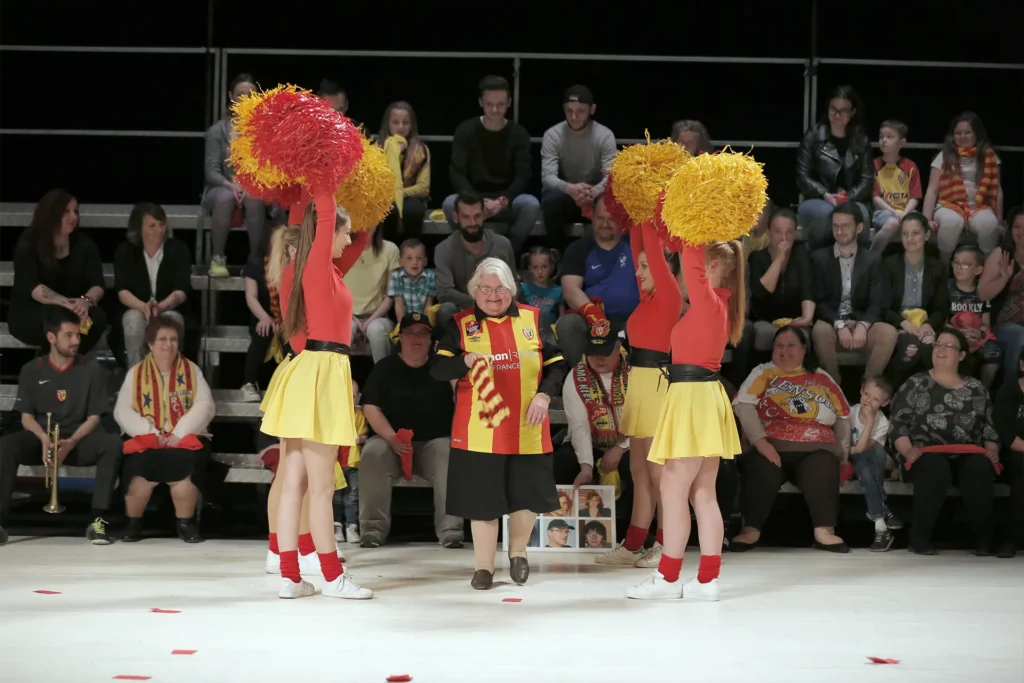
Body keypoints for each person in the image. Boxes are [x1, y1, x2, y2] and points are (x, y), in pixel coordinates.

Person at [260, 194, 374, 600]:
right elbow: (323, 216)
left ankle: (291, 577)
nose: (348, 240)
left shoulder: (321, 272)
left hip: (308, 371)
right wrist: (323, 177)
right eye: (342, 233)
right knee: (322, 488)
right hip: (322, 371)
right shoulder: (312, 270)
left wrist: (371, 203)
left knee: (295, 482)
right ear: (328, 233)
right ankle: (332, 576)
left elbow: (361, 239)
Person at [432, 258, 565, 590]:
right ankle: (483, 568)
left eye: (500, 288)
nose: (493, 295)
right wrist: (463, 361)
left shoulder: (535, 319)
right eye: (486, 289)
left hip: (527, 426)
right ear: (474, 291)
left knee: (525, 495)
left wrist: (545, 396)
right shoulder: (458, 324)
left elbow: (559, 365)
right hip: (479, 430)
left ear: (512, 289)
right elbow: (437, 369)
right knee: (483, 500)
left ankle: (518, 554)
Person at [627, 242, 744, 602]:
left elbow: (690, 264)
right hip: (698, 397)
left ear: (715, 268)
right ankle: (707, 581)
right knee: (702, 493)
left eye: (701, 265)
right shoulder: (717, 306)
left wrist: (692, 228)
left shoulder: (710, 303)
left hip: (694, 398)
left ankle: (668, 578)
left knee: (674, 491)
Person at [0, 307, 122, 546]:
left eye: (77, 335)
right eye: (69, 335)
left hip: (77, 439)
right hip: (41, 439)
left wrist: (70, 443)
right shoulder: (31, 369)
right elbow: (26, 417)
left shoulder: (91, 368)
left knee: (112, 444)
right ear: (51, 338)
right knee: (6, 445)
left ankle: (98, 520)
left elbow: (95, 417)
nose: (76, 340)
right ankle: (1, 521)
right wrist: (44, 438)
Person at [599, 222, 681, 568]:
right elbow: (639, 249)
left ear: (664, 269)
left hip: (659, 389)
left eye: (647, 266)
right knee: (639, 472)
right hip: (639, 385)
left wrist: (650, 217)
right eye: (638, 265)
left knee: (660, 474)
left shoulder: (669, 297)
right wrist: (635, 215)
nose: (638, 269)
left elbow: (651, 253)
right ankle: (634, 543)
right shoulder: (646, 300)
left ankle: (666, 544)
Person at [730, 327, 851, 554]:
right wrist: (761, 443)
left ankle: (825, 532)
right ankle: (750, 530)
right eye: (779, 345)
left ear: (804, 350)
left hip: (816, 448)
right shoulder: (763, 372)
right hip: (771, 446)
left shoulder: (821, 377)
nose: (784, 351)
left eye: (791, 345)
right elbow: (743, 405)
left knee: (823, 466)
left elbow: (843, 416)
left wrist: (843, 456)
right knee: (760, 467)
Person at [889, 329, 1001, 556]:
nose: (940, 349)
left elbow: (990, 427)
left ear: (961, 355)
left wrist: (992, 451)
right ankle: (919, 538)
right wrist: (908, 450)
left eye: (948, 346)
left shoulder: (976, 389)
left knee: (979, 468)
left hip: (967, 451)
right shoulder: (916, 383)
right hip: (924, 451)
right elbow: (898, 424)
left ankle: (984, 540)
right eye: (938, 344)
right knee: (933, 467)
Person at [359, 312, 465, 548]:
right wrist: (391, 438)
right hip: (390, 442)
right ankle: (372, 530)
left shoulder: (442, 367)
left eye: (422, 333)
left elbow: (463, 400)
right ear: (401, 338)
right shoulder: (384, 368)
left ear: (431, 340)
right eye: (410, 333)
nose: (416, 339)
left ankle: (451, 532)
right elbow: (370, 407)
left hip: (434, 442)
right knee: (372, 453)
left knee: (449, 453)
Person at [113, 315, 214, 543]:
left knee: (184, 475)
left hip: (184, 438)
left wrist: (178, 433)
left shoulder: (192, 371)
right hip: (148, 439)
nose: (168, 345)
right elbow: (122, 411)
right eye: (162, 339)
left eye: (173, 339)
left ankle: (185, 523)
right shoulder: (136, 373)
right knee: (139, 474)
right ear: (150, 344)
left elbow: (205, 405)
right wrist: (153, 434)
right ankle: (133, 523)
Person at [444, 75, 540, 253]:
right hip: (473, 199)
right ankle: (469, 253)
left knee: (530, 204)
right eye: (490, 104)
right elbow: (457, 172)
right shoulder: (466, 130)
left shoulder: (518, 134)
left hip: (505, 201)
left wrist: (501, 202)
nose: (495, 109)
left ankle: (507, 254)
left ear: (509, 102)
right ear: (481, 102)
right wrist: (478, 202)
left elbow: (523, 176)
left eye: (501, 104)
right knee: (450, 204)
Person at [10, 189, 108, 354]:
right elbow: (34, 288)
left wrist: (85, 302)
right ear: (51, 214)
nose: (73, 217)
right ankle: (52, 368)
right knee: (57, 321)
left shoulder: (84, 244)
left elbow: (97, 284)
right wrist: (69, 305)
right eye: (66, 212)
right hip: (34, 310)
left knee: (96, 317)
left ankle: (71, 362)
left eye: (75, 211)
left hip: (74, 309)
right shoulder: (29, 243)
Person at [554, 322, 633, 526]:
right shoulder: (576, 377)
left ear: (618, 349)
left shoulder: (635, 373)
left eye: (606, 352)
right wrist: (586, 467)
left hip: (630, 442)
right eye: (594, 352)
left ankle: (628, 527)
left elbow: (644, 419)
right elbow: (579, 425)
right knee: (562, 461)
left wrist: (620, 448)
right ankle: (568, 525)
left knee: (636, 467)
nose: (599, 358)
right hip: (591, 442)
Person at [810, 204, 897, 383]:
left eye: (846, 226)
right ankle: (833, 386)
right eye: (836, 226)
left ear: (859, 228)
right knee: (819, 329)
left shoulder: (872, 260)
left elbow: (877, 301)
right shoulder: (818, 259)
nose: (840, 231)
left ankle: (868, 387)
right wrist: (839, 325)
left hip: (860, 323)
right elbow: (819, 302)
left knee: (888, 332)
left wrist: (863, 325)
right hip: (832, 324)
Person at [557, 194, 640, 366]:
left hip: (632, 319)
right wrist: (593, 314)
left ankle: (636, 376)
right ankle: (583, 376)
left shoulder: (637, 244)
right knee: (567, 324)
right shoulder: (578, 249)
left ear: (621, 220)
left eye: (610, 219)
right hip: (592, 321)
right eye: (600, 218)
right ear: (592, 217)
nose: (604, 224)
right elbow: (570, 290)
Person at [114, 201, 193, 368]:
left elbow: (181, 291)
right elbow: (122, 291)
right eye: (152, 226)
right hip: (137, 307)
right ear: (139, 229)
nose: (159, 230)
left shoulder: (178, 248)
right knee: (133, 321)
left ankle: (169, 379)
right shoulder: (124, 251)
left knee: (171, 324)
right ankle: (137, 377)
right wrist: (144, 307)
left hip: (169, 308)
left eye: (161, 224)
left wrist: (160, 307)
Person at [540, 84, 617, 253]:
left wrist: (594, 192)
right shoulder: (553, 135)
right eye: (569, 111)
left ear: (592, 109)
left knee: (616, 200)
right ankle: (558, 256)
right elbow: (548, 176)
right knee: (550, 201)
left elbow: (610, 175)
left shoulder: (604, 135)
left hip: (595, 194)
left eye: (580, 111)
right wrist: (570, 188)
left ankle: (608, 254)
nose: (574, 116)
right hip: (567, 194)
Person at [202, 73, 266, 276]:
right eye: (239, 94)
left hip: (254, 187)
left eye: (250, 95)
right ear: (231, 96)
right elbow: (211, 171)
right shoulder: (217, 131)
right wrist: (231, 185)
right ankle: (218, 258)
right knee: (225, 197)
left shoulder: (264, 131)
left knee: (255, 198)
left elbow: (268, 170)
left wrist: (249, 185)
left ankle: (255, 260)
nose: (244, 99)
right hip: (221, 187)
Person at [796, 85, 872, 250]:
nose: (837, 115)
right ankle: (819, 265)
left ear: (852, 112)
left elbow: (867, 180)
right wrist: (825, 194)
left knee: (862, 215)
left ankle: (859, 268)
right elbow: (802, 176)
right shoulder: (814, 136)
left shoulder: (861, 139)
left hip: (852, 199)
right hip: (817, 199)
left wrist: (847, 198)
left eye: (843, 110)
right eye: (833, 109)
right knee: (826, 215)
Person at [922, 111, 1003, 261]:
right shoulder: (944, 156)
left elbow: (997, 191)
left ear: (977, 134)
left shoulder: (989, 156)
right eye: (958, 133)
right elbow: (932, 191)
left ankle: (987, 269)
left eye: (967, 132)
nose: (962, 136)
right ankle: (944, 265)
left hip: (979, 206)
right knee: (951, 221)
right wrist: (926, 219)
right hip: (948, 205)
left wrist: (999, 219)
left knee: (989, 224)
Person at [434, 191, 517, 330]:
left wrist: (496, 304)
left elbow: (513, 285)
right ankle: (450, 350)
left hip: (500, 308)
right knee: (446, 309)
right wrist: (483, 303)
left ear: (484, 215)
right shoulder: (444, 249)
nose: (472, 223)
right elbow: (444, 292)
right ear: (456, 217)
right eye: (466, 217)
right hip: (464, 311)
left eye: (477, 216)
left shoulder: (502, 244)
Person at [882, 213, 948, 383]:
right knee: (909, 347)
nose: (909, 238)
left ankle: (926, 398)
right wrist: (902, 323)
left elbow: (941, 308)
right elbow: (882, 306)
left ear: (926, 234)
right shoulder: (888, 265)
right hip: (898, 324)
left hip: (925, 325)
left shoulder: (937, 267)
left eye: (915, 233)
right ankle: (895, 396)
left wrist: (929, 325)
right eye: (905, 233)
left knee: (928, 347)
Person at [747, 208, 815, 352]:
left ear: (796, 233)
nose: (784, 237)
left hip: (794, 318)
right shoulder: (757, 257)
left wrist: (807, 318)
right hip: (764, 319)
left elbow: (807, 289)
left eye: (789, 232)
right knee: (767, 334)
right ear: (769, 233)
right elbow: (761, 293)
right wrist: (779, 259)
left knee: (802, 335)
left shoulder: (801, 254)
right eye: (777, 231)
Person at [848, 376, 902, 551]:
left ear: (885, 403)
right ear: (861, 390)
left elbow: (864, 447)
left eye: (875, 399)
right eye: (866, 394)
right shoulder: (850, 413)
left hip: (868, 461)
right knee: (866, 462)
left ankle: (879, 524)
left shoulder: (883, 424)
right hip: (852, 457)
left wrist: (870, 420)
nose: (868, 401)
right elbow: (853, 450)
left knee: (874, 456)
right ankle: (883, 510)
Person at [241, 217, 292, 402]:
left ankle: (291, 384)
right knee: (262, 332)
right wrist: (265, 318)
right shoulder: (256, 262)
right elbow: (251, 297)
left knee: (293, 336)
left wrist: (288, 321)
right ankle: (249, 383)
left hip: (289, 317)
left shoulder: (293, 262)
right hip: (263, 316)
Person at [978, 207, 1024, 384]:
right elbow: (982, 294)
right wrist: (1003, 280)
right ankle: (1013, 395)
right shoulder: (1002, 254)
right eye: (1017, 226)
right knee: (1021, 335)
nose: (1021, 232)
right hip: (1006, 325)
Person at [343, 224, 400, 362]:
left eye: (370, 222)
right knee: (345, 329)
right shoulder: (341, 248)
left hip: (378, 316)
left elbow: (390, 295)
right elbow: (333, 293)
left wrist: (368, 322)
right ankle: (337, 381)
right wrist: (354, 320)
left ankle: (384, 380)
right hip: (345, 315)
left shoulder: (390, 250)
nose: (365, 227)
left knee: (376, 330)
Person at [948, 245, 1002, 387]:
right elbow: (941, 319)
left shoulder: (983, 292)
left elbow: (986, 324)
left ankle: (983, 391)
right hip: (952, 334)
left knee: (993, 352)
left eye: (965, 264)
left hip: (976, 337)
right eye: (956, 262)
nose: (959, 267)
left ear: (978, 270)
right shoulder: (947, 288)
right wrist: (958, 333)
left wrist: (979, 333)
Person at [870, 120, 924, 253]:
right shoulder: (873, 165)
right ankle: (870, 258)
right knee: (892, 223)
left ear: (902, 142)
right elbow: (875, 197)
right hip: (883, 212)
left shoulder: (910, 166)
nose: (883, 140)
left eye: (889, 137)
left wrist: (904, 214)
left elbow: (915, 196)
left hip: (907, 211)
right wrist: (895, 213)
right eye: (881, 137)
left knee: (918, 225)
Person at [990, 347, 1024, 558]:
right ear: (1022, 365)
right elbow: (1005, 432)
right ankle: (1012, 538)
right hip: (1014, 452)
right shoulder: (1009, 391)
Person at [379, 101, 430, 237]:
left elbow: (423, 188)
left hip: (412, 197)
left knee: (413, 210)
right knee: (388, 209)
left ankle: (409, 253)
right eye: (395, 122)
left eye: (405, 122)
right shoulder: (377, 148)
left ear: (412, 125)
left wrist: (400, 192)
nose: (400, 127)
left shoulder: (421, 150)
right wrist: (394, 153)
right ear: (388, 124)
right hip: (385, 197)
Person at [387, 238, 435, 321]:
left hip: (423, 320)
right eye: (409, 258)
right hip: (405, 320)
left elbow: (428, 304)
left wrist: (425, 324)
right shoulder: (396, 277)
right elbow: (399, 304)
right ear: (400, 261)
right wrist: (402, 325)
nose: (415, 262)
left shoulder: (430, 276)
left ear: (425, 261)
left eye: (419, 258)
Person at [520, 246, 563, 330]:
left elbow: (562, 319)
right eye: (535, 267)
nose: (540, 272)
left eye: (544, 267)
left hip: (551, 333)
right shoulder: (523, 289)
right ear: (530, 268)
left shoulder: (558, 290)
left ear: (552, 267)